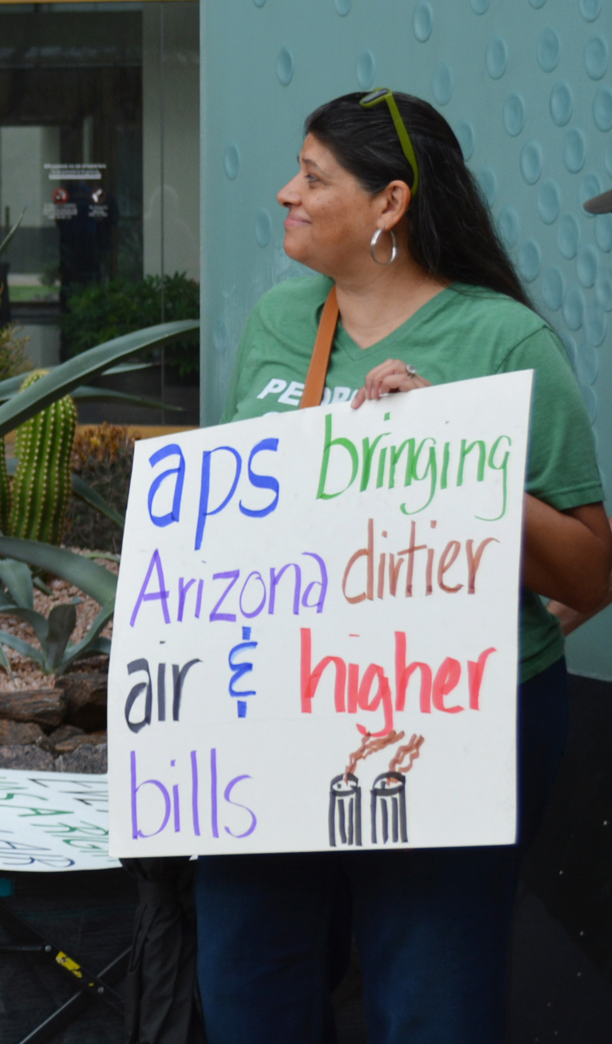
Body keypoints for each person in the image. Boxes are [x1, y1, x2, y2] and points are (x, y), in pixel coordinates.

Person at [202, 88, 612, 1042]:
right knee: (247, 978)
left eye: (312, 178)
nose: (283, 194)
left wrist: (444, 451)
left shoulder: (504, 340)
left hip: (451, 721)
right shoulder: (277, 322)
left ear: (389, 204)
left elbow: (590, 573)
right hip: (278, 707)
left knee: (430, 992)